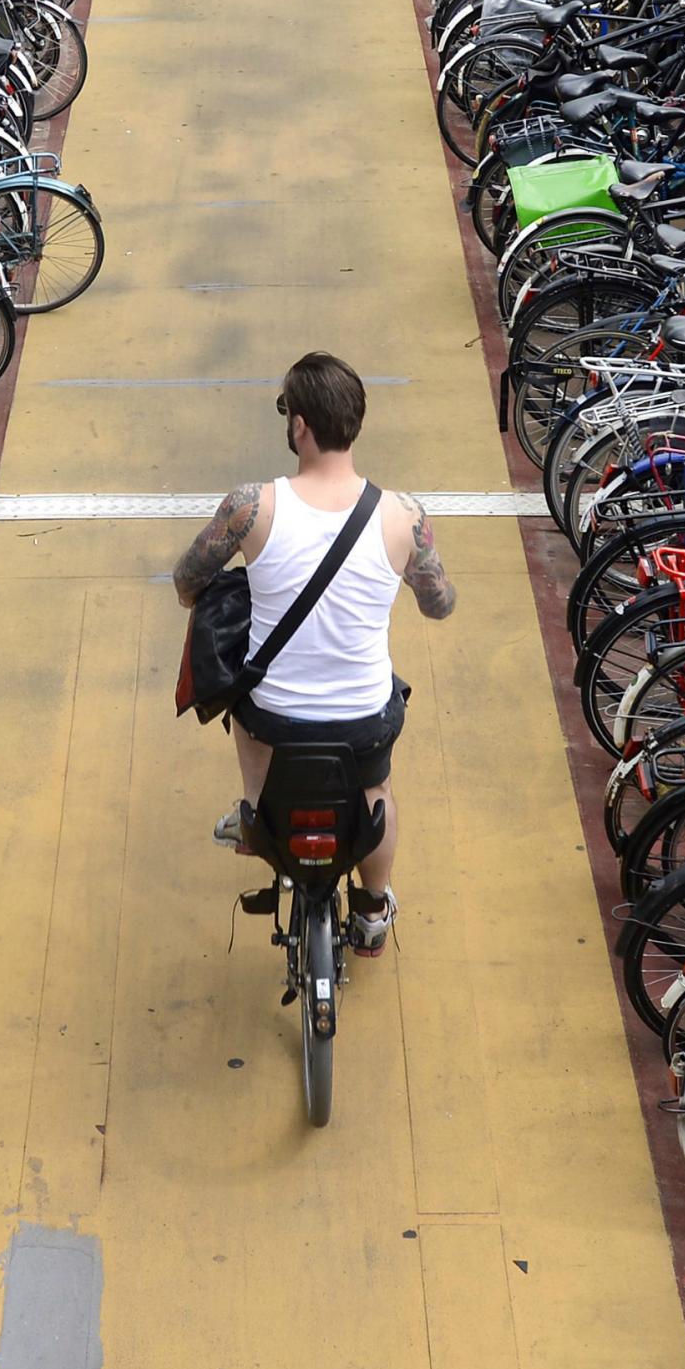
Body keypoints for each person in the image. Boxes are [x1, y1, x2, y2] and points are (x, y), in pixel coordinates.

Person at [171, 353, 457, 956]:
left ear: (299, 425)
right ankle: (373, 909)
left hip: (276, 716)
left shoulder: (250, 506)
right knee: (376, 797)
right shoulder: (405, 516)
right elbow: (438, 604)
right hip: (363, 718)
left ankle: (255, 815)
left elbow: (187, 583)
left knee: (244, 711)